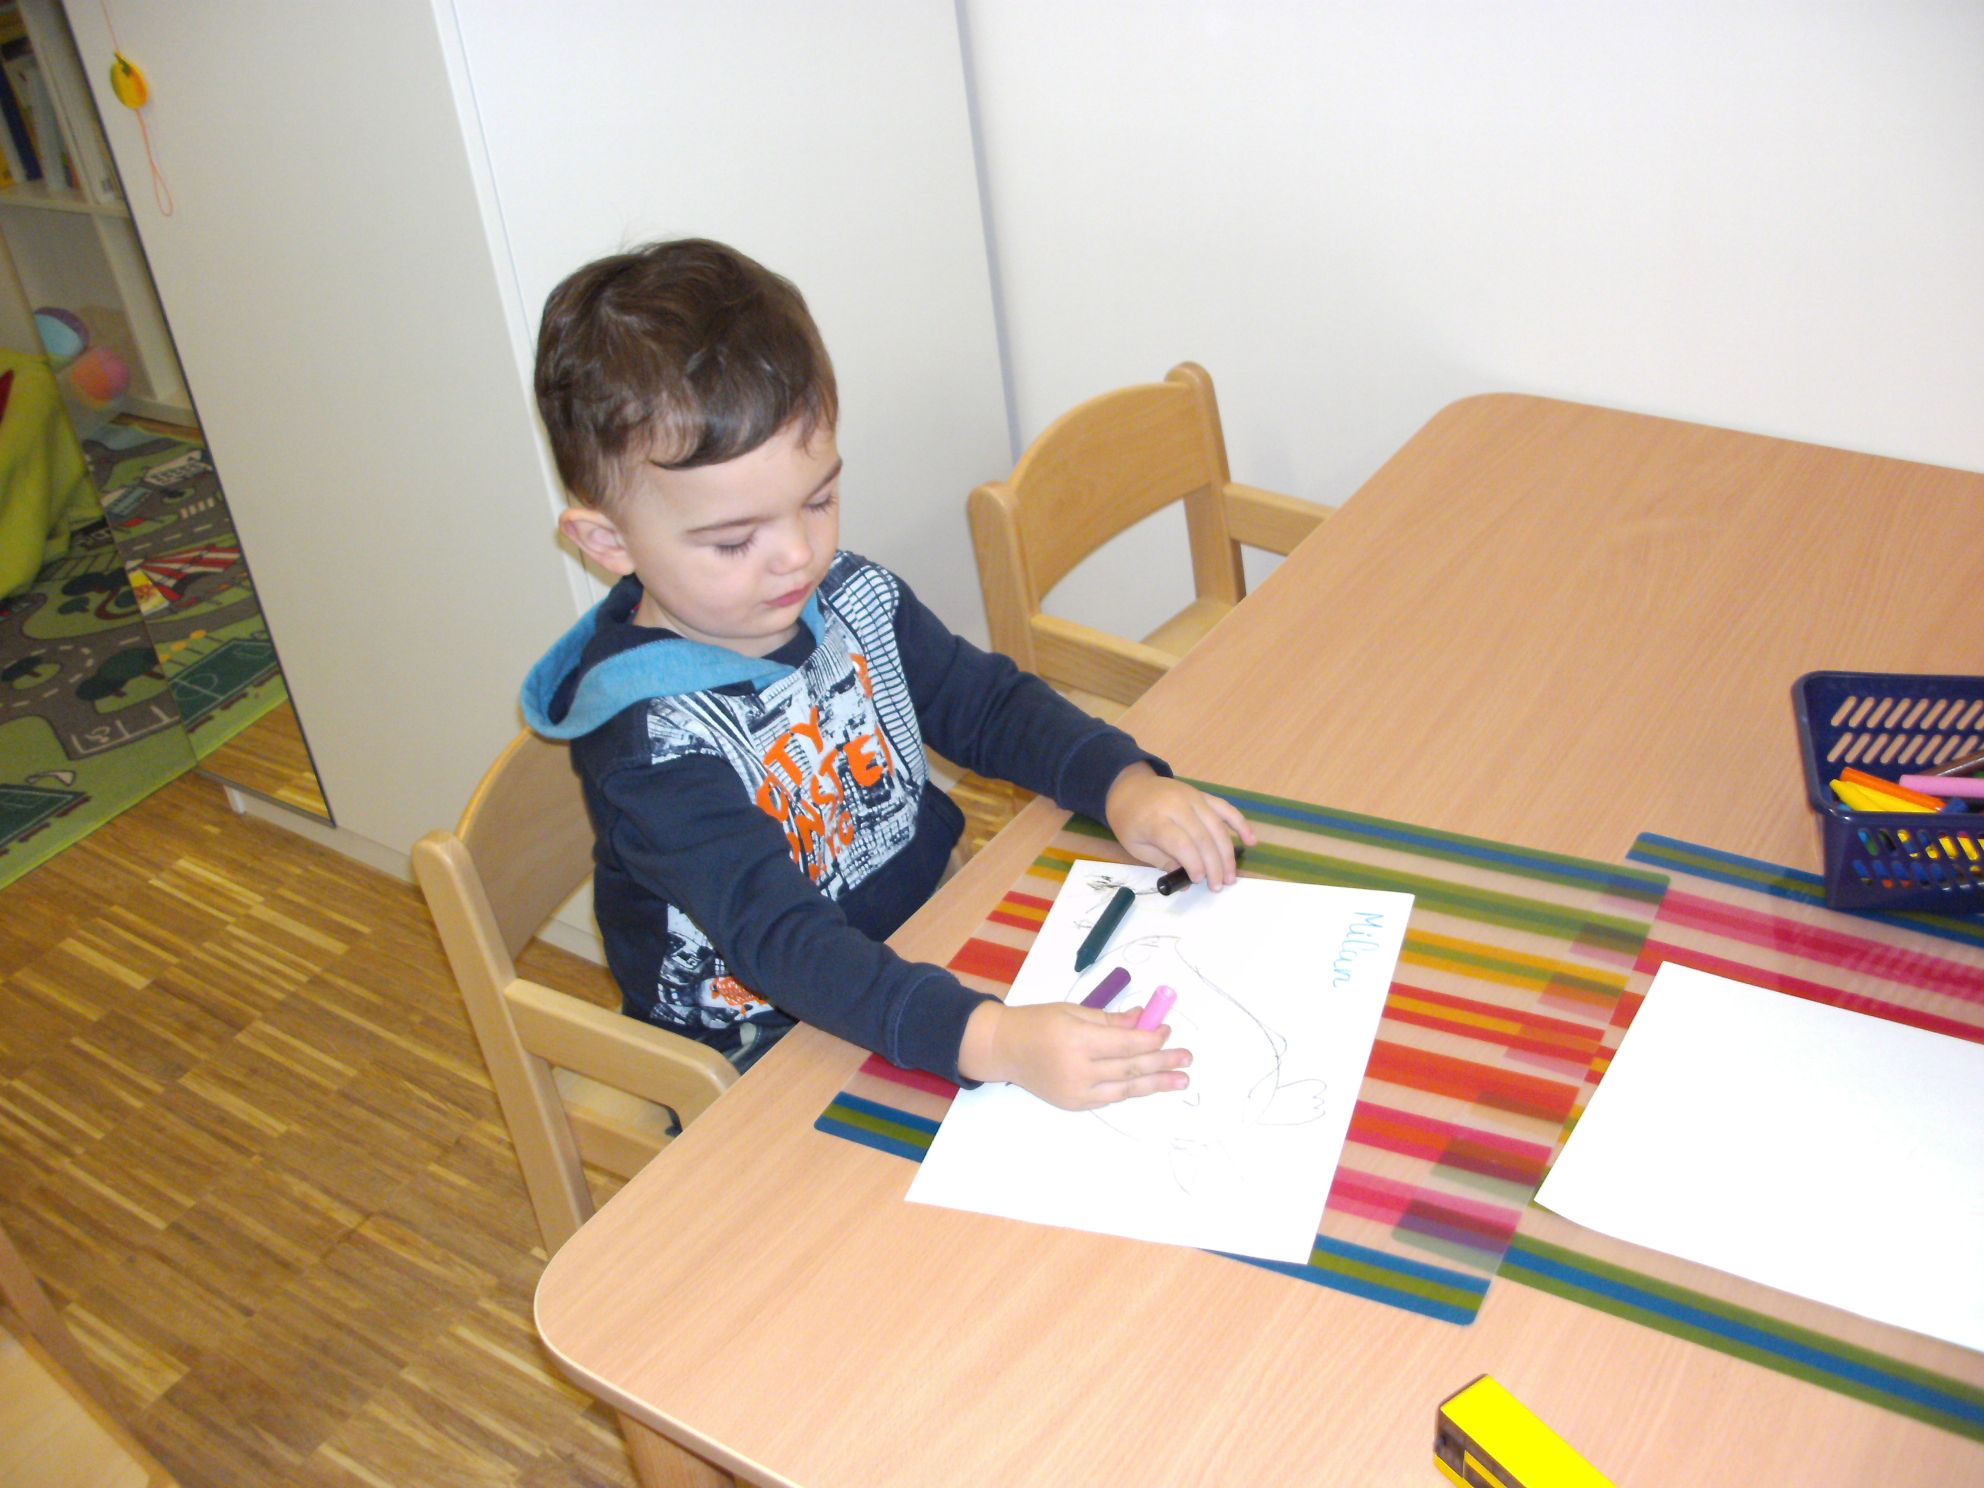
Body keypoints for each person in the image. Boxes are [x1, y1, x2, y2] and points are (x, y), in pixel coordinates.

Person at [520, 238, 1255, 1108]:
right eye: (735, 540)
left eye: (819, 500)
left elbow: (985, 705)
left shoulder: (849, 595)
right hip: (763, 1036)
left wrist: (1121, 782)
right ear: (607, 543)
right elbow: (785, 946)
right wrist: (995, 1040)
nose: (799, 555)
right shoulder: (651, 745)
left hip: (923, 931)